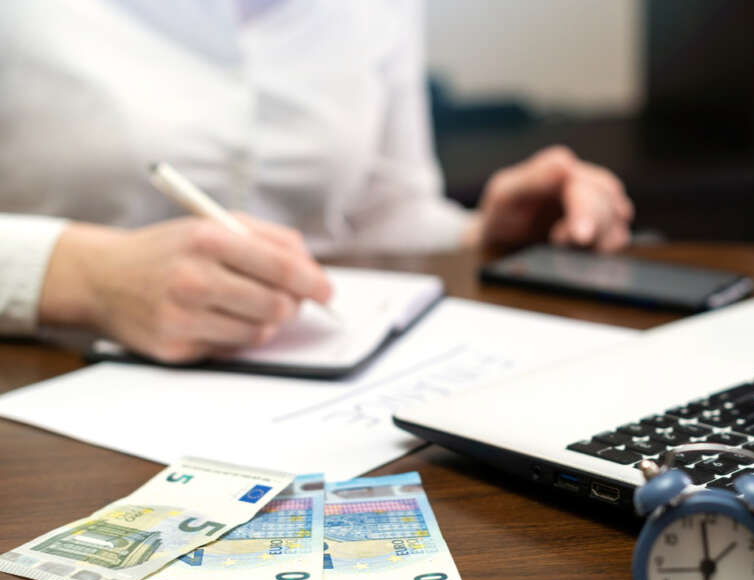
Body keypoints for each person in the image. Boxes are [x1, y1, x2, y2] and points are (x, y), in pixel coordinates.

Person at [0, 1, 633, 363]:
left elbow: (377, 211)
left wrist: (487, 233)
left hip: (308, 377)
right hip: (51, 377)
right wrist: (89, 276)